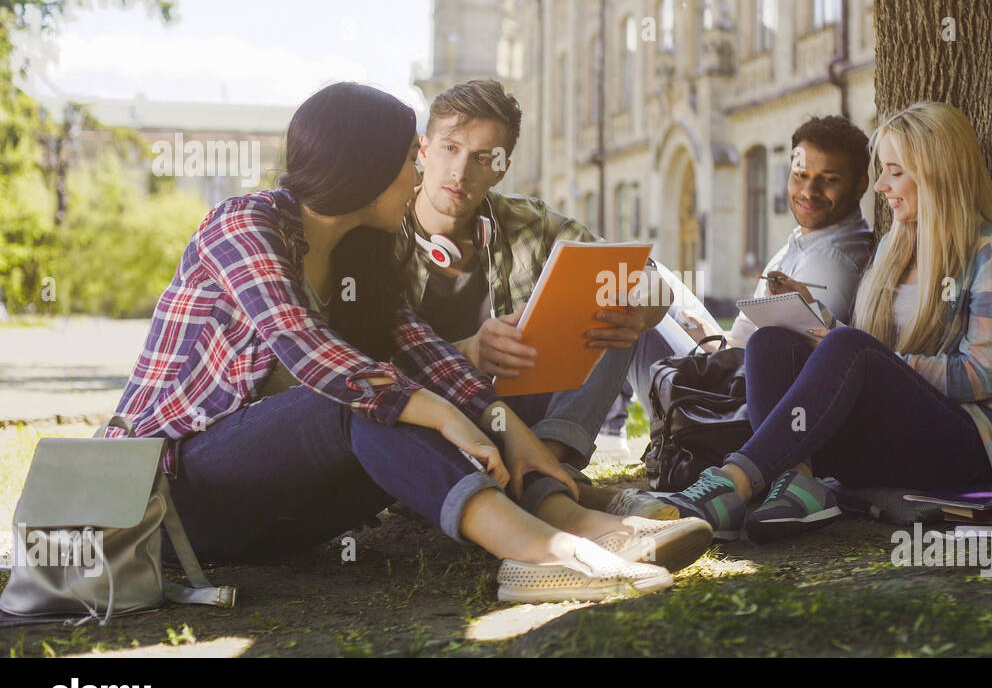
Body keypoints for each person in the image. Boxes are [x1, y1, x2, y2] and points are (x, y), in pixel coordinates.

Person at [107, 82, 711, 602]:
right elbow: (312, 354)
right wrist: (448, 414)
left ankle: (568, 515)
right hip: (175, 502)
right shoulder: (243, 226)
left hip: (286, 521)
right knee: (365, 395)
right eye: (411, 159)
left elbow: (432, 360)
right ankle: (540, 552)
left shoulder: (363, 256)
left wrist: (512, 434)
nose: (421, 174)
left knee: (415, 387)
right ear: (365, 169)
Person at [660, 101, 992, 543]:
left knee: (850, 346)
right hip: (883, 439)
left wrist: (878, 357)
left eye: (894, 172)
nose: (879, 186)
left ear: (937, 173)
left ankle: (735, 483)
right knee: (770, 341)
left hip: (962, 446)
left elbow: (980, 377)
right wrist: (812, 316)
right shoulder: (893, 250)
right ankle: (798, 482)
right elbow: (864, 351)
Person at [402, 79, 679, 519]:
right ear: (423, 149)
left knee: (611, 302)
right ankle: (556, 492)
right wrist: (468, 351)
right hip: (430, 419)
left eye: (481, 158)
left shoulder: (526, 221)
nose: (460, 172)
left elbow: (648, 279)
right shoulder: (382, 233)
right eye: (450, 148)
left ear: (501, 169)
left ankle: (545, 470)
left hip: (523, 414)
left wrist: (642, 306)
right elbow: (365, 366)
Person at [623, 115, 877, 411]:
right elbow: (752, 351)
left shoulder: (831, 262)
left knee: (623, 296)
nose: (809, 191)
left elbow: (784, 376)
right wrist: (710, 339)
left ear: (861, 184)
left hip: (717, 412)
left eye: (829, 180)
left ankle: (609, 427)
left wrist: (715, 352)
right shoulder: (810, 240)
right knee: (644, 274)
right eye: (801, 175)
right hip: (727, 374)